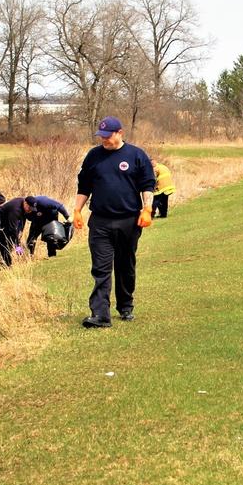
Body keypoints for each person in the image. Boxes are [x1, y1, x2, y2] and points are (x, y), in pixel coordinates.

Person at [73, 116, 155, 328]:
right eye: (101, 137)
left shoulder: (137, 155)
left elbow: (147, 184)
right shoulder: (93, 156)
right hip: (100, 220)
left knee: (125, 264)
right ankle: (100, 314)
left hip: (129, 220)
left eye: (108, 136)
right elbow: (84, 186)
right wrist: (77, 210)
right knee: (100, 268)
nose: (104, 140)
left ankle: (126, 306)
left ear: (120, 133)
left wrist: (147, 209)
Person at [0, 196, 29, 267]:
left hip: (7, 224)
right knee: (3, 244)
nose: (30, 211)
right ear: (25, 204)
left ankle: (4, 265)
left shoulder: (23, 204)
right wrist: (17, 245)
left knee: (8, 243)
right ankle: (4, 265)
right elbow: (13, 229)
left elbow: (20, 223)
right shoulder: (15, 209)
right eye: (30, 209)